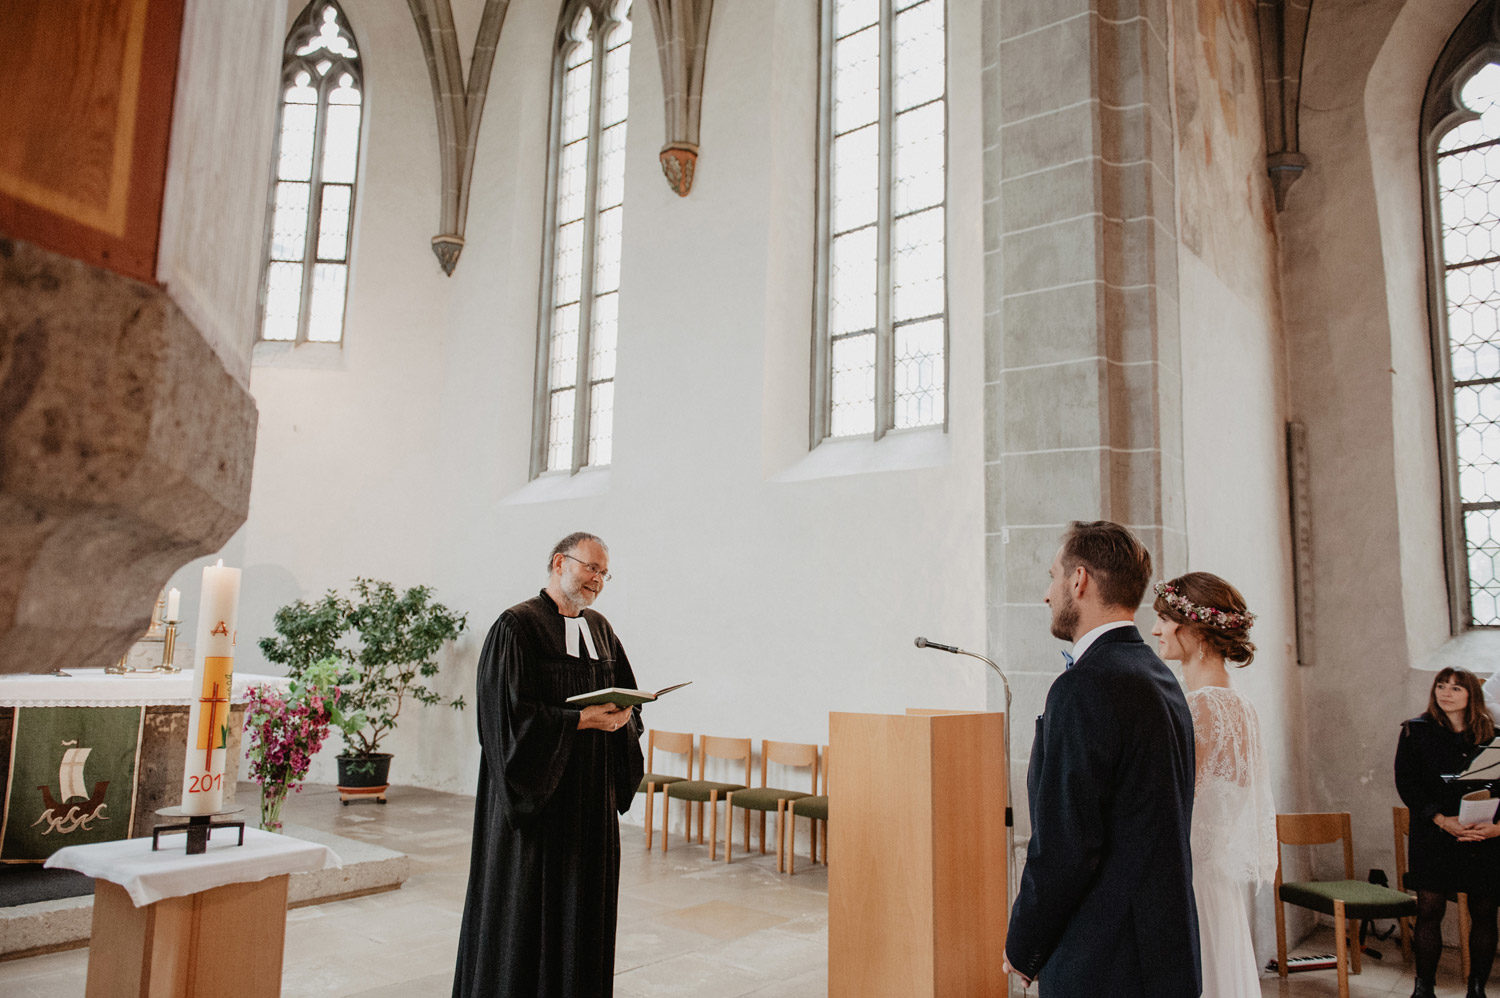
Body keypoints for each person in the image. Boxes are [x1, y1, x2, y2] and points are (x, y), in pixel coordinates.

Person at [1003, 520, 1201, 997]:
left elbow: (1066, 845)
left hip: (1104, 959)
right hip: (1163, 951)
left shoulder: (1085, 686)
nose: (1047, 595)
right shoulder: (1159, 676)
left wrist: (1022, 946)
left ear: (1080, 580)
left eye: (1053, 576)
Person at [452, 532, 645, 998]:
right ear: (560, 562)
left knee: (583, 915)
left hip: (590, 805)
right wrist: (578, 720)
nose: (598, 579)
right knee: (529, 916)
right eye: (590, 567)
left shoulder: (600, 629)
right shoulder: (517, 626)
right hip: (539, 807)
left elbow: (627, 693)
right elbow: (506, 721)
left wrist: (626, 715)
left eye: (604, 572)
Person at [1151, 572, 1277, 998]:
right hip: (1218, 886)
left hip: (1188, 885)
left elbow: (1172, 801)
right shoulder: (1242, 706)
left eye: (1166, 620)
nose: (1156, 630)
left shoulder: (1199, 708)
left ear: (1197, 631)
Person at [1395, 668, 1500, 998]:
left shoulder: (1494, 735)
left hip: (1483, 836)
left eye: (1455, 688)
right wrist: (1442, 820)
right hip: (1434, 833)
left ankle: (1477, 988)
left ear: (1471, 694)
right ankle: (1424, 987)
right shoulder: (1416, 731)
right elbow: (1407, 785)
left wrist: (1496, 828)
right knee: (1429, 910)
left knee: (1484, 912)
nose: (1446, 692)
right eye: (1441, 686)